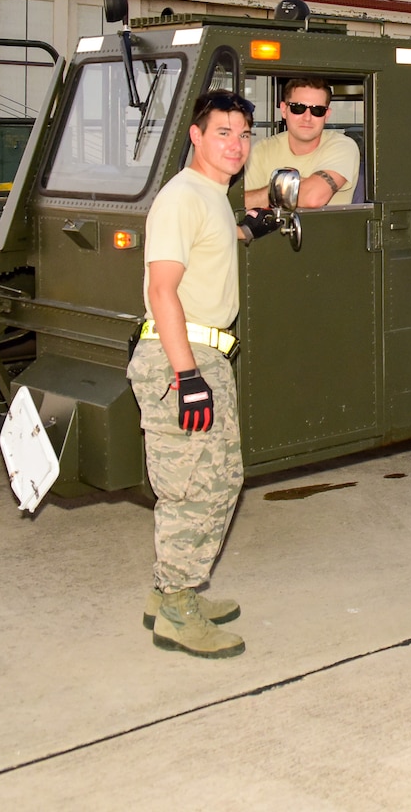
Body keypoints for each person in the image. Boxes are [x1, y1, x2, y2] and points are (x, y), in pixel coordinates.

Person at [130, 89, 262, 659]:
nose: (236, 145)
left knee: (221, 477)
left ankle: (169, 593)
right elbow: (163, 288)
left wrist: (250, 229)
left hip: (206, 356)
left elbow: (215, 240)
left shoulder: (211, 196)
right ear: (197, 136)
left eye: (243, 134)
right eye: (223, 133)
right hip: (181, 358)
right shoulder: (182, 196)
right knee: (192, 489)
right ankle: (179, 609)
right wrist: (186, 376)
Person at [243, 77, 361, 209]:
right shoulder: (262, 150)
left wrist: (271, 191)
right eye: (298, 108)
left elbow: (312, 198)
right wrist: (293, 188)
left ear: (327, 115)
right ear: (283, 110)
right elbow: (241, 204)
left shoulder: (342, 146)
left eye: (318, 111)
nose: (307, 117)